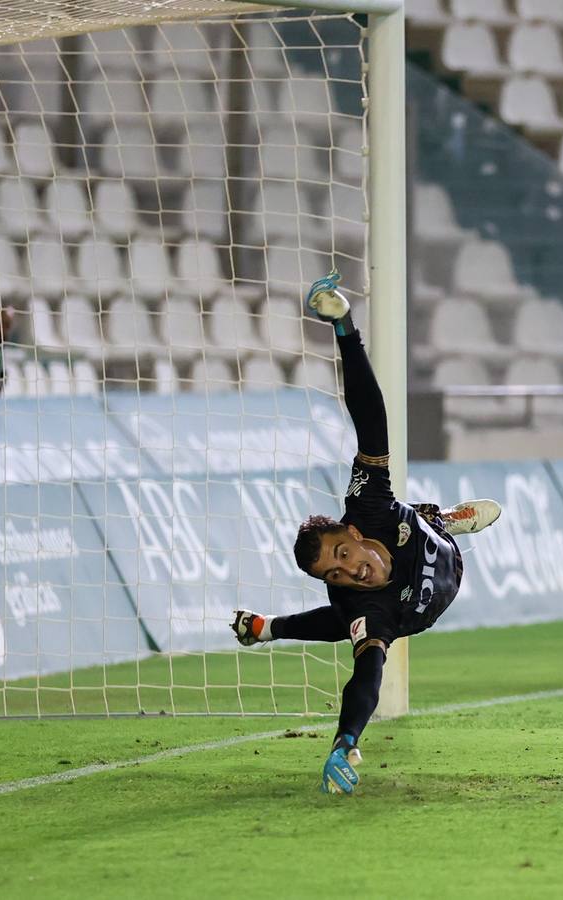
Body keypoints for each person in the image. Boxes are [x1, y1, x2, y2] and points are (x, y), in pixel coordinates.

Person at [229, 271, 502, 795]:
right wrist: (344, 738)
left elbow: (369, 416)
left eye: (342, 553)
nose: (350, 569)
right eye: (333, 572)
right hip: (421, 606)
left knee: (401, 531)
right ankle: (272, 628)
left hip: (440, 550)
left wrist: (344, 328)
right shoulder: (357, 601)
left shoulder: (367, 504)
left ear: (351, 530)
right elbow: (366, 678)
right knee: (354, 624)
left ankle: (437, 519)